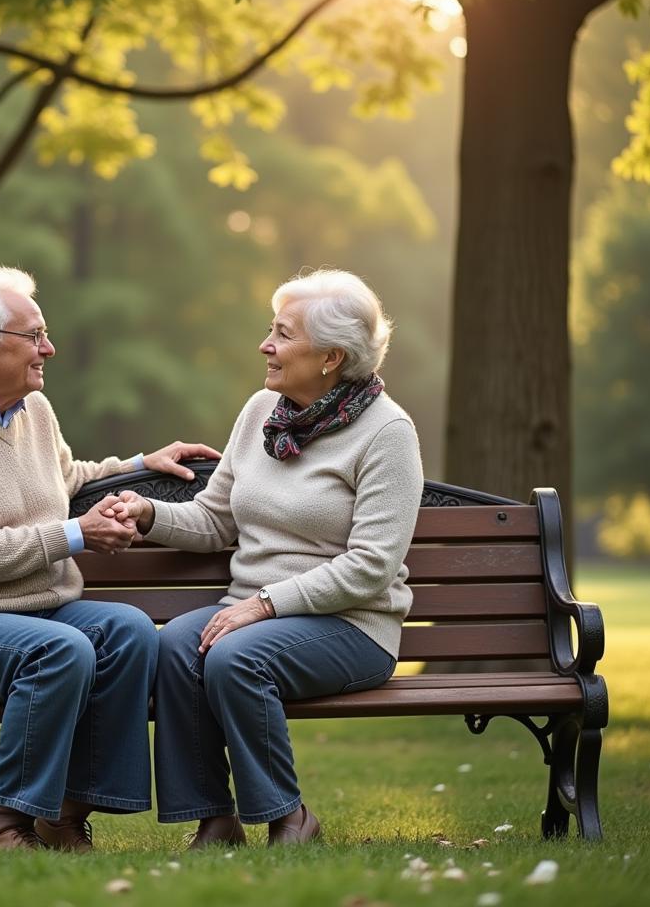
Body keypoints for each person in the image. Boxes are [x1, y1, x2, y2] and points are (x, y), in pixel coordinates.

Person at [0, 264, 220, 853]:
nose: (50, 348)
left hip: (36, 611)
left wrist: (142, 464)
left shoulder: (33, 411)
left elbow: (70, 479)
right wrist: (76, 536)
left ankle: (64, 814)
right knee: (60, 648)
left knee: (128, 631)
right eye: (35, 336)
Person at [113, 269, 423, 849]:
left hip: (351, 624)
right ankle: (215, 821)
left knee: (234, 658)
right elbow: (216, 520)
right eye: (269, 329)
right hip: (253, 616)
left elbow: (371, 566)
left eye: (282, 333)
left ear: (331, 356)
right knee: (176, 645)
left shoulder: (388, 433)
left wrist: (265, 603)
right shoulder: (262, 411)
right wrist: (149, 514)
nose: (266, 345)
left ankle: (290, 818)